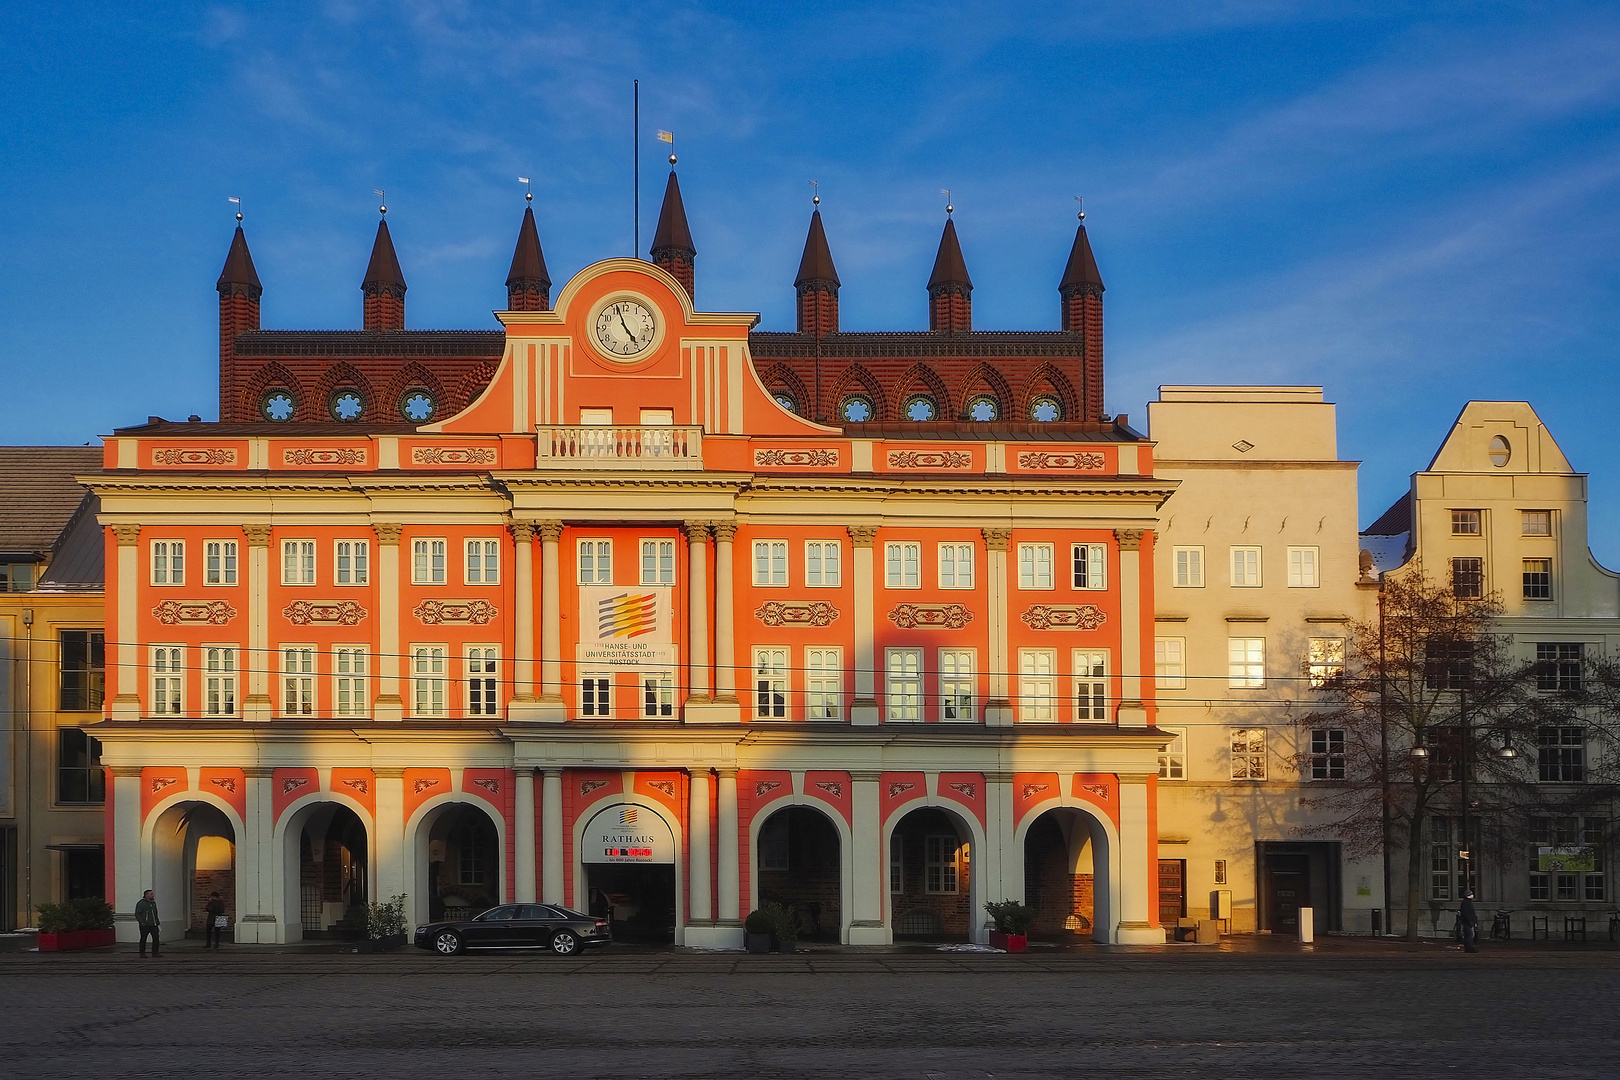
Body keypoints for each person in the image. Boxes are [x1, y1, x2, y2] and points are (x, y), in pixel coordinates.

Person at [135, 889, 161, 957]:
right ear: (146, 895)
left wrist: (157, 922)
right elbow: (137, 913)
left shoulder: (153, 903)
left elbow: (155, 914)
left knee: (156, 938)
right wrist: (142, 922)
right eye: (151, 894)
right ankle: (142, 953)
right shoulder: (141, 903)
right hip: (145, 925)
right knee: (143, 939)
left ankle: (155, 953)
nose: (153, 895)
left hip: (154, 924)